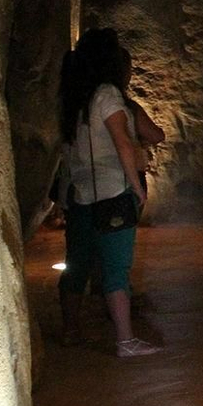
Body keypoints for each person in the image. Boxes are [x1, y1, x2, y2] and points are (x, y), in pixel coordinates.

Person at [57, 28, 161, 357]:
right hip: (112, 192)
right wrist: (135, 185)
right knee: (116, 268)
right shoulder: (107, 94)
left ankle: (71, 330)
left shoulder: (72, 96)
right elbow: (123, 144)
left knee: (77, 265)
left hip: (81, 194)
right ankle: (125, 339)